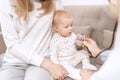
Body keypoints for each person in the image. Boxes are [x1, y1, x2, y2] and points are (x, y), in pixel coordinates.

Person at [0, 0, 69, 80]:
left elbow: (62, 28)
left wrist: (76, 40)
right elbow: (12, 44)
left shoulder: (54, 2)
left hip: (42, 59)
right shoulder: (5, 2)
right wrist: (48, 65)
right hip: (15, 62)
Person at [49, 10, 97, 80]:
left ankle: (86, 64)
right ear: (57, 28)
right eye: (66, 27)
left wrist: (79, 40)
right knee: (66, 68)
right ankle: (79, 74)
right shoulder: (55, 40)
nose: (70, 28)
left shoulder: (72, 35)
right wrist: (57, 66)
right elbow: (53, 55)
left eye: (71, 25)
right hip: (64, 61)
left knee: (84, 52)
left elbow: (78, 44)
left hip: (75, 56)